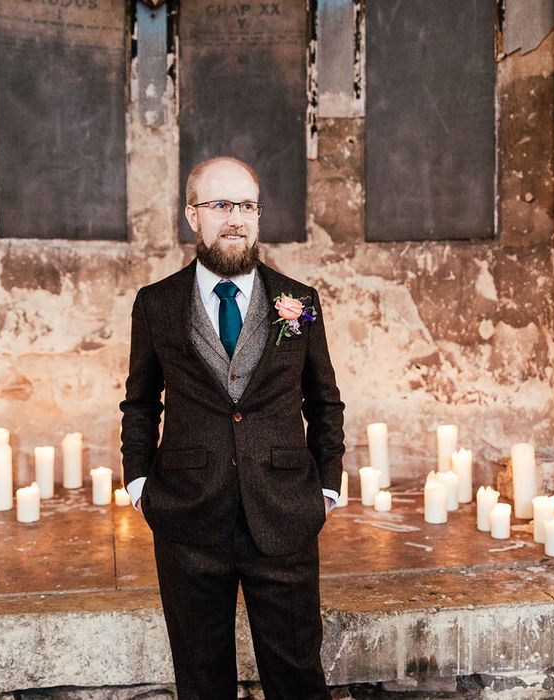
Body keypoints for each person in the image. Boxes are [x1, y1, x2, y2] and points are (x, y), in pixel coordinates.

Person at [120, 156, 345, 699]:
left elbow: (324, 399)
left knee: (297, 680)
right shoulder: (156, 304)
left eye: (246, 205)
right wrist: (139, 486)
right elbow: (141, 402)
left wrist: (328, 488)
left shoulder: (300, 302)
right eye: (221, 205)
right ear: (193, 216)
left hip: (285, 514)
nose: (236, 218)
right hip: (187, 517)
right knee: (201, 682)